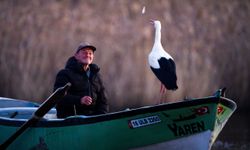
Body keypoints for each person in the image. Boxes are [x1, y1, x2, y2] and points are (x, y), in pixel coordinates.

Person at [53, 42, 109, 118]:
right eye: (84, 52)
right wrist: (80, 100)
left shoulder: (97, 76)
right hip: (70, 120)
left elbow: (103, 101)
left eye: (90, 53)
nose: (88, 55)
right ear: (76, 56)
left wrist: (101, 118)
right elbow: (58, 97)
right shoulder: (64, 74)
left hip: (92, 120)